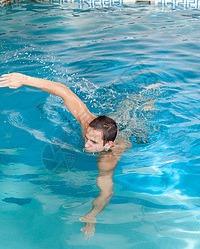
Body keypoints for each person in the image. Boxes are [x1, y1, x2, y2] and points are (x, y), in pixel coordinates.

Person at [0, 72, 131, 238]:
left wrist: (92, 215)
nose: (86, 145)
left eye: (93, 143)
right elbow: (64, 91)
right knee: (118, 118)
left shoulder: (107, 158)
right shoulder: (87, 123)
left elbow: (106, 191)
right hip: (105, 131)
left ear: (107, 144)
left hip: (124, 140)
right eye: (87, 138)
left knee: (131, 122)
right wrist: (25, 79)